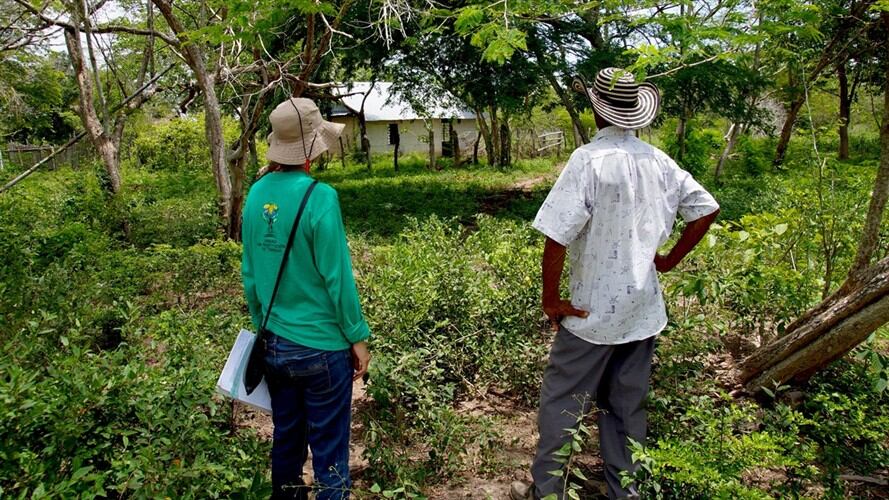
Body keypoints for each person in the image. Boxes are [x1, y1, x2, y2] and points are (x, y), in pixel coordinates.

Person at [510, 68, 720, 500]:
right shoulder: (659, 161)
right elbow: (705, 209)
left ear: (595, 109)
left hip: (590, 313)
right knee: (626, 407)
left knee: (563, 401)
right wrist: (669, 260)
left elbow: (557, 236)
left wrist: (552, 300)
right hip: (641, 311)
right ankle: (625, 490)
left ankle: (547, 491)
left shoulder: (588, 160)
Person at [241, 97, 371, 500]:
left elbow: (250, 277)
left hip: (275, 345)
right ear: (313, 148)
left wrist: (264, 323)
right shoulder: (320, 197)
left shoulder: (255, 194)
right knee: (330, 450)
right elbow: (337, 278)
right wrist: (357, 336)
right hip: (323, 350)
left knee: (287, 440)